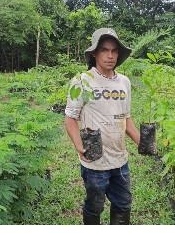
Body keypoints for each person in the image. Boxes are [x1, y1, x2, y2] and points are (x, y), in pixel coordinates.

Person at [64, 28, 139, 224]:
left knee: (123, 205)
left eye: (114, 51)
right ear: (95, 53)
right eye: (105, 50)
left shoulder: (124, 82)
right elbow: (70, 118)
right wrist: (79, 146)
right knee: (94, 206)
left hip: (120, 160)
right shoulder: (81, 81)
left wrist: (144, 144)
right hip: (95, 162)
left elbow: (126, 119)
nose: (110, 55)